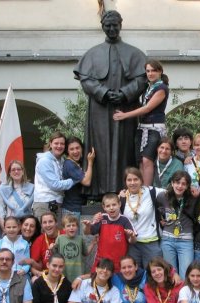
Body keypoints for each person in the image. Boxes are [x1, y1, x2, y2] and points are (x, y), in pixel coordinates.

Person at [74, 10, 146, 196]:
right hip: (100, 108)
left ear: (121, 25)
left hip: (126, 108)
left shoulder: (134, 53)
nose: (112, 28)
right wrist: (103, 92)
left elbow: (141, 79)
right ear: (102, 27)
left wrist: (125, 93)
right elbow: (86, 80)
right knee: (100, 147)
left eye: (115, 25)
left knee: (125, 148)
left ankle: (125, 191)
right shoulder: (92, 54)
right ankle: (99, 192)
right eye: (108, 25)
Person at [113, 59, 169, 186]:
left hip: (154, 128)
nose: (150, 74)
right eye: (148, 71)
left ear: (160, 71)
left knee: (147, 160)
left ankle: (147, 190)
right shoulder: (148, 88)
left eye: (153, 71)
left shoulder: (161, 88)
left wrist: (125, 115)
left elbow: (148, 108)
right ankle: (140, 189)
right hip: (142, 127)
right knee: (140, 161)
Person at [120, 167, 163, 268]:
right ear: (125, 182)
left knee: (154, 274)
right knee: (135, 275)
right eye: (129, 180)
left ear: (141, 180)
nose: (132, 183)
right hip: (132, 244)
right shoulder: (122, 197)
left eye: (136, 179)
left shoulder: (151, 191)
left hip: (151, 242)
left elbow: (172, 192)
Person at [84, 193, 136, 272]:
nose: (111, 208)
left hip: (119, 262)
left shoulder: (125, 220)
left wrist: (131, 236)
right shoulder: (101, 218)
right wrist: (88, 226)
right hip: (101, 261)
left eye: (114, 205)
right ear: (104, 207)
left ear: (119, 204)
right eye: (108, 206)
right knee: (96, 281)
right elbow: (87, 233)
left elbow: (132, 241)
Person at [157, 170, 195, 277]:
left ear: (188, 186)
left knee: (186, 275)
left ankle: (184, 294)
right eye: (177, 182)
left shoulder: (193, 198)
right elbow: (153, 205)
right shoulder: (162, 196)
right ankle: (172, 294)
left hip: (186, 241)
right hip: (167, 240)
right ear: (172, 183)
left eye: (183, 184)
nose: (180, 186)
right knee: (171, 275)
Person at [33, 132, 77, 219]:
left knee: (57, 232)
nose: (59, 146)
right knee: (45, 232)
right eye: (56, 143)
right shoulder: (45, 161)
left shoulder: (61, 160)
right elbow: (55, 185)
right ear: (50, 144)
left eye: (62, 144)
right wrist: (75, 180)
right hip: (45, 204)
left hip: (57, 203)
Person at [61, 137, 95, 222]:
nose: (75, 151)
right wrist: (90, 162)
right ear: (67, 151)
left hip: (76, 207)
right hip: (71, 210)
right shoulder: (69, 164)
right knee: (73, 235)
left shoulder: (77, 163)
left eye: (77, 148)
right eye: (71, 149)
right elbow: (86, 182)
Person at [53, 214, 94, 281]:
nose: (71, 227)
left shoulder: (80, 239)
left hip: (78, 273)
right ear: (64, 228)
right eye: (68, 226)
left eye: (73, 225)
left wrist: (93, 243)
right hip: (64, 272)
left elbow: (86, 253)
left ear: (77, 227)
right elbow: (55, 253)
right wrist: (52, 247)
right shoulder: (60, 238)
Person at [0, 160, 34, 229]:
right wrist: (5, 230)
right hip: (11, 228)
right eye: (13, 170)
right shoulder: (3, 190)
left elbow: (34, 210)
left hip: (28, 228)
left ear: (23, 172)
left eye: (18, 169)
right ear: (10, 173)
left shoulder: (32, 188)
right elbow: (0, 213)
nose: (16, 171)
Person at [30, 211, 61, 277]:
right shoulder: (39, 241)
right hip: (46, 274)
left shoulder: (65, 235)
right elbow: (33, 267)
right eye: (44, 222)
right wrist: (40, 274)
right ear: (41, 225)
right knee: (35, 279)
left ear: (56, 223)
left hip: (64, 273)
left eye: (50, 221)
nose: (48, 225)